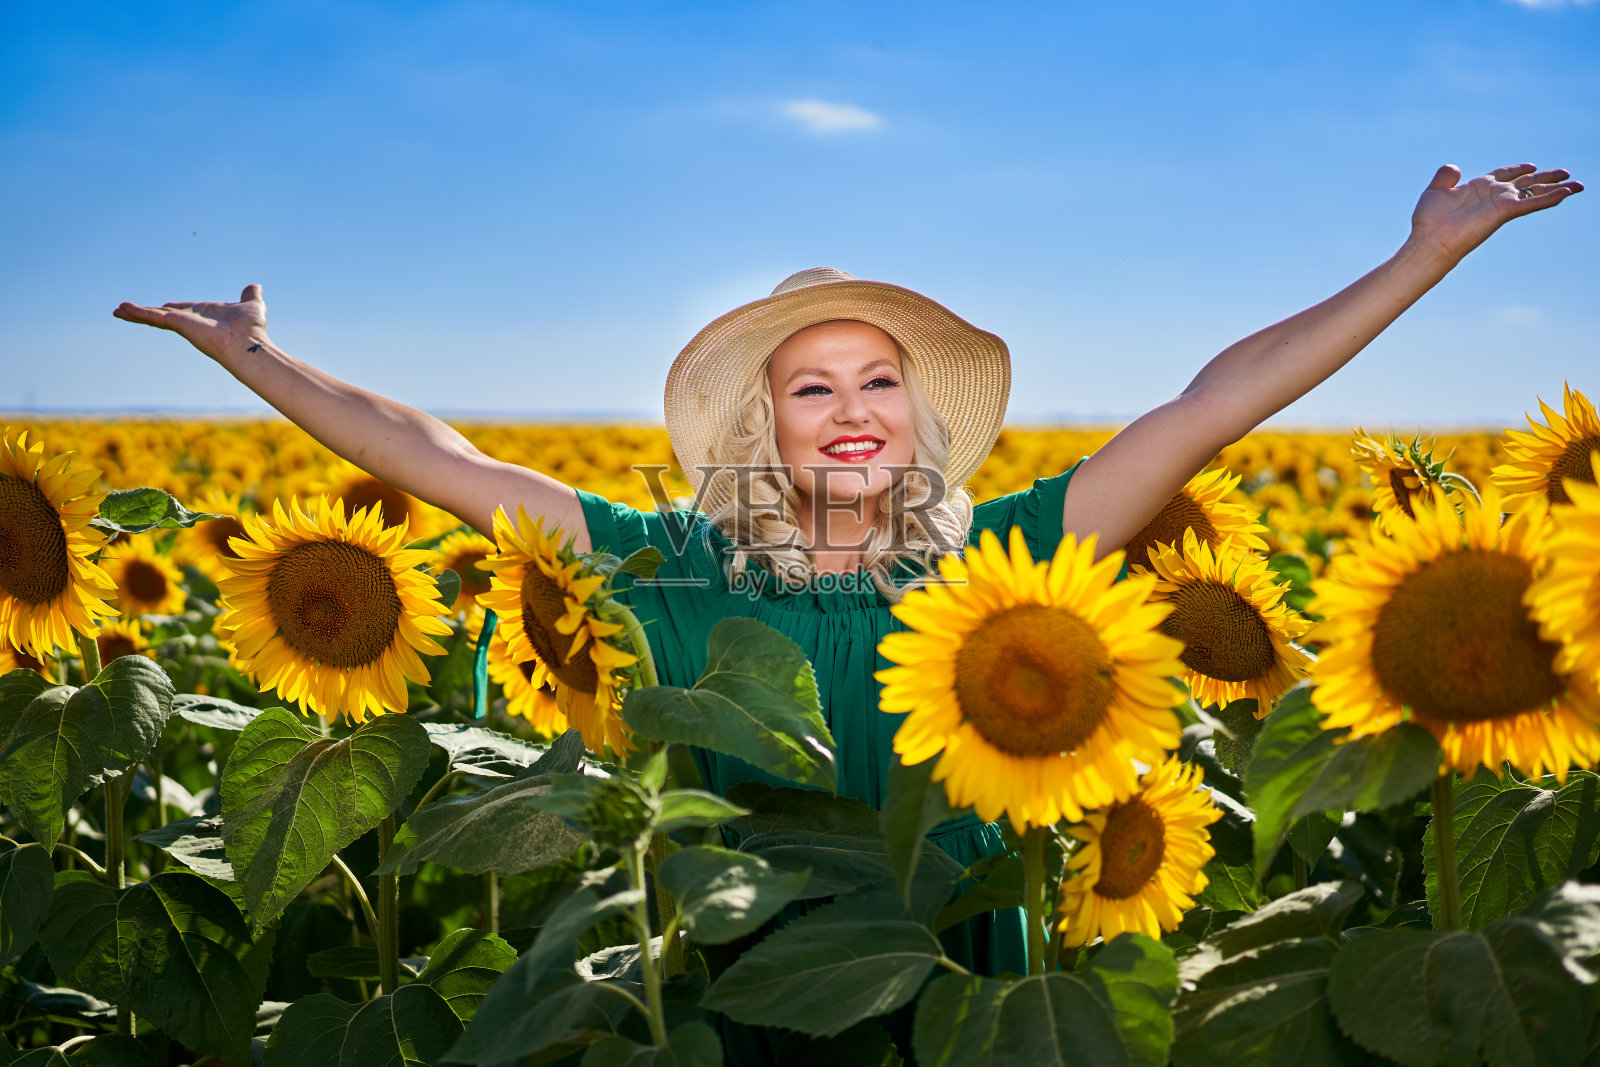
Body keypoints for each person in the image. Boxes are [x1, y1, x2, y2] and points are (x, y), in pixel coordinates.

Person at [114, 160, 1579, 1039]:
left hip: (960, 993)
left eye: (880, 381)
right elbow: (438, 463)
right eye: (813, 387)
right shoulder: (664, 570)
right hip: (733, 1001)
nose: (854, 411)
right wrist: (257, 359)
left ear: (920, 417)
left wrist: (1424, 256)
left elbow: (1210, 408)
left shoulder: (1009, 567)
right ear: (763, 427)